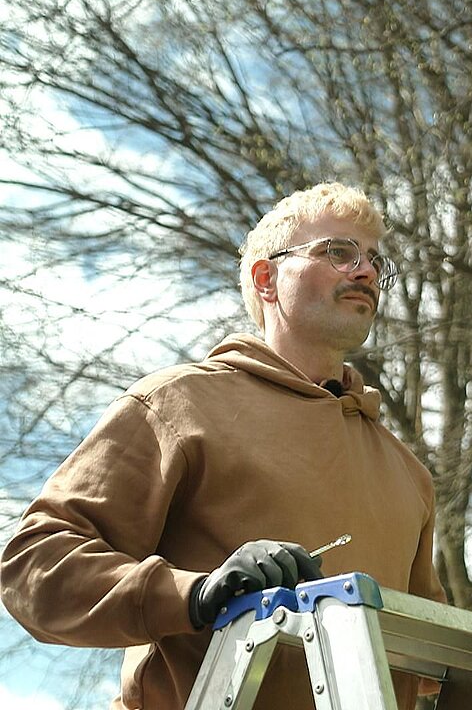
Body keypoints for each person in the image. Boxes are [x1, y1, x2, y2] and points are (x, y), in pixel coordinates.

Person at [1, 182, 447, 710]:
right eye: (338, 251)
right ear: (266, 279)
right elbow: (35, 565)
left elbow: (429, 658)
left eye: (374, 260)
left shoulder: (406, 472)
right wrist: (196, 595)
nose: (366, 271)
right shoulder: (177, 404)